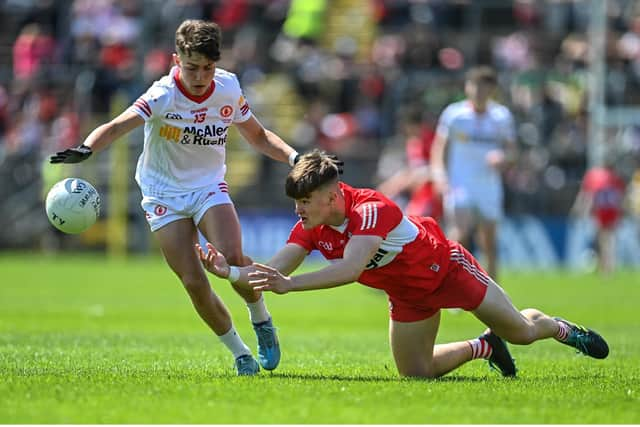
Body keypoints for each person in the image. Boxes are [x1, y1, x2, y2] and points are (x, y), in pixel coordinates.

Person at [196, 150, 609, 379]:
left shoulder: (371, 209)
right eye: (296, 202)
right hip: (408, 294)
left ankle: (560, 329)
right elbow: (274, 270)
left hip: (447, 270)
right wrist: (229, 271)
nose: (298, 209)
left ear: (333, 195)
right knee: (416, 374)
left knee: (521, 331)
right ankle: (483, 346)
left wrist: (291, 286)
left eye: (305, 201)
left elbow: (350, 269)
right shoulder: (312, 224)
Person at [50, 19, 301, 376]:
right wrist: (87, 148)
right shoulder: (162, 94)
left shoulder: (228, 88)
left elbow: (258, 137)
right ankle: (240, 352)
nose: (200, 76)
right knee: (194, 282)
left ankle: (262, 322)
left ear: (218, 63)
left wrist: (295, 157)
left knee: (233, 257)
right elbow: (118, 126)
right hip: (162, 193)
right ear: (175, 60)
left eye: (208, 68)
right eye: (192, 67)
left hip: (208, 187)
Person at [430, 66, 517, 279]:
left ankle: (493, 292)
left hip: (488, 184)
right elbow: (439, 147)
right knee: (459, 233)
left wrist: (504, 159)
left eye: (483, 88)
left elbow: (513, 151)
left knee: (488, 240)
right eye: (475, 87)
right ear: (467, 88)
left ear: (492, 90)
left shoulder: (501, 116)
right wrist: (439, 174)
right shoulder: (455, 114)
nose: (478, 92)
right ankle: (451, 284)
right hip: (460, 182)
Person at [377, 108, 443, 222]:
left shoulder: (433, 141)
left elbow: (434, 170)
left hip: (432, 195)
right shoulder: (412, 143)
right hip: (417, 195)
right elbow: (412, 171)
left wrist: (405, 180)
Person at [571, 159, 626, 275]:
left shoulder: (596, 177)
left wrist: (582, 211)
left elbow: (588, 196)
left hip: (601, 213)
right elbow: (620, 198)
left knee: (603, 241)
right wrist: (621, 214)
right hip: (612, 213)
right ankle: (608, 266)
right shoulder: (616, 179)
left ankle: (606, 268)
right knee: (609, 241)